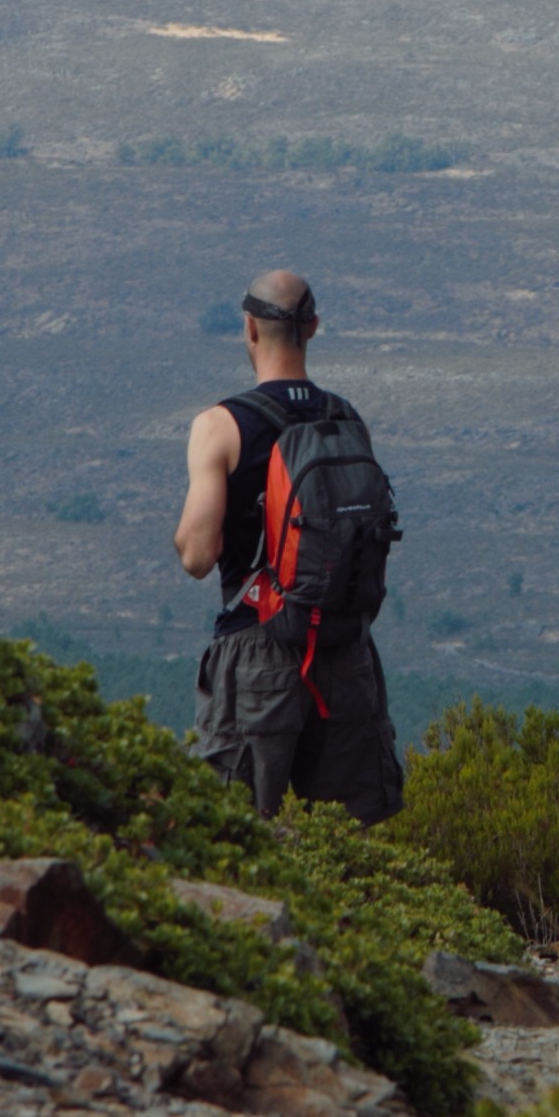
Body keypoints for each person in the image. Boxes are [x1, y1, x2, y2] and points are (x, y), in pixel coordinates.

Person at [175, 269, 406, 824]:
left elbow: (197, 556)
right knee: (351, 843)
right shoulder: (347, 420)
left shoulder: (222, 425)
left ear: (250, 330)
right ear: (314, 328)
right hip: (345, 649)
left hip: (258, 654)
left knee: (237, 833)